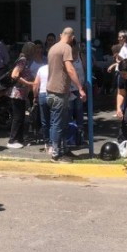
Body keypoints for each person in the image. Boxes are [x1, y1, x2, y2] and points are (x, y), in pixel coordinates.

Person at [46, 27, 86, 162]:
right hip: (59, 92)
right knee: (58, 124)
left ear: (60, 35)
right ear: (72, 37)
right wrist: (80, 87)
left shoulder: (53, 48)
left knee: (59, 123)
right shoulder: (66, 48)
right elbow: (70, 68)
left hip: (51, 91)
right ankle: (56, 153)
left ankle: (63, 150)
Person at [6, 41, 36, 149]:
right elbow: (15, 75)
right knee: (17, 117)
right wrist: (28, 83)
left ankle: (19, 139)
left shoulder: (25, 60)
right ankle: (12, 140)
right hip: (17, 93)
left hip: (22, 94)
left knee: (21, 117)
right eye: (33, 50)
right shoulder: (22, 60)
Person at [33, 61, 51, 153]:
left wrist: (35, 97)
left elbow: (35, 85)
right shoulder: (57, 68)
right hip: (53, 94)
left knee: (44, 121)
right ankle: (53, 143)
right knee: (54, 120)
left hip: (42, 94)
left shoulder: (41, 69)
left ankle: (47, 143)